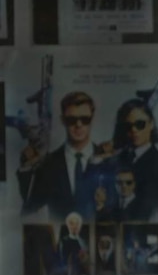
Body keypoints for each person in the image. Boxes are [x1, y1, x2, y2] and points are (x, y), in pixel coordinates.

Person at [17, 91, 112, 220]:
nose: (78, 125)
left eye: (84, 119)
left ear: (92, 118)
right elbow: (29, 208)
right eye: (72, 120)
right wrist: (26, 167)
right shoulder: (47, 164)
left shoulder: (109, 161)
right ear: (63, 120)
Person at [112, 98, 158, 218]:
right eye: (128, 126)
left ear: (151, 124)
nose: (134, 130)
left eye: (140, 124)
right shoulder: (115, 161)